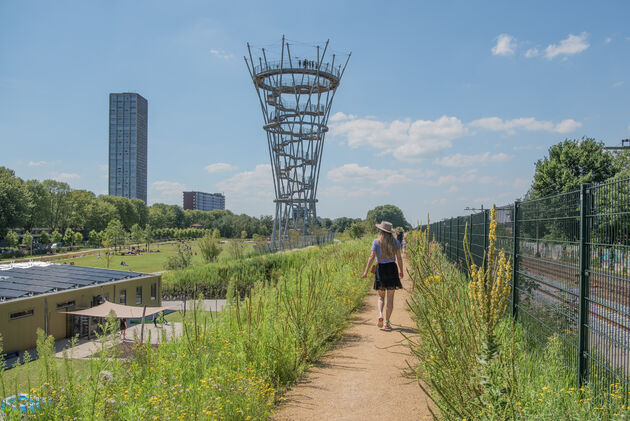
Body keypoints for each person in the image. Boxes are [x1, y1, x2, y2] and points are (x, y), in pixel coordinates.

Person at [361, 221, 404, 330]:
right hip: (392, 269)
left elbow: (371, 257)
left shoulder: (376, 242)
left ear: (381, 231)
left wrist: (366, 271)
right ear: (390, 232)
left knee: (381, 296)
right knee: (390, 298)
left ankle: (380, 313)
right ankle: (387, 322)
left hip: (381, 269)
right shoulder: (395, 242)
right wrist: (401, 271)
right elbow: (399, 258)